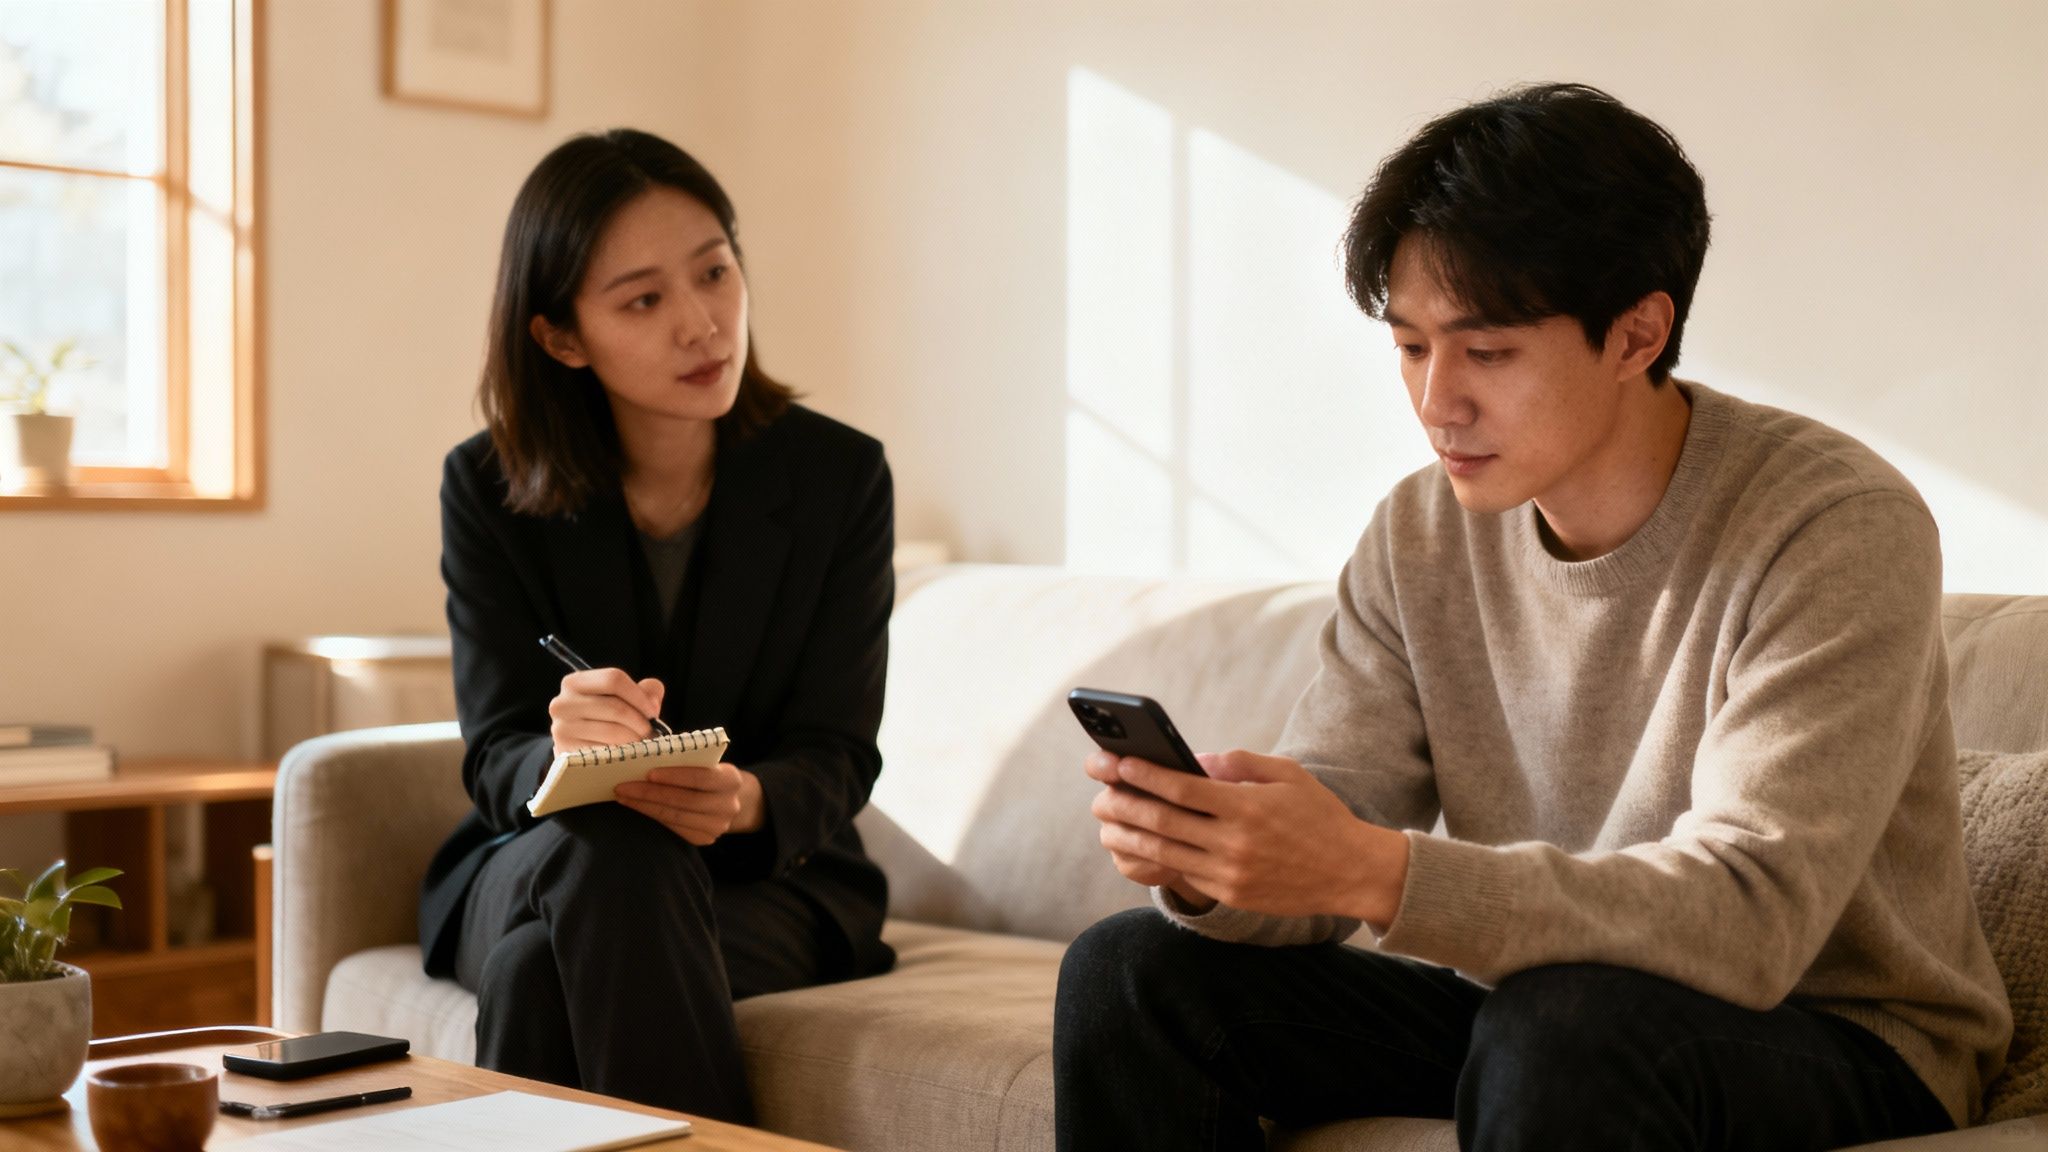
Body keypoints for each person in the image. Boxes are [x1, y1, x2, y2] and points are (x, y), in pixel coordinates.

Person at [1053, 83, 2011, 1151]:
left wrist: (1373, 870)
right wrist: (1215, 860)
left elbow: (1753, 919)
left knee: (1557, 1026)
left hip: (1831, 1033)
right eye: (1411, 347)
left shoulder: (1832, 525)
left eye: (1487, 351)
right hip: (1541, 1003)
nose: (1436, 402)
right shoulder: (1419, 532)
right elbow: (1340, 811)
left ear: (1637, 333)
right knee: (1132, 973)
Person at [417, 129, 896, 1123]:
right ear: (560, 337)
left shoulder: (838, 479)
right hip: (539, 859)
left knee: (534, 977)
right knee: (608, 848)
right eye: (643, 299)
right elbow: (493, 749)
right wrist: (559, 751)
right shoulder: (487, 486)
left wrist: (743, 800)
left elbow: (836, 751)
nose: (702, 324)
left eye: (714, 273)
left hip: (766, 876)